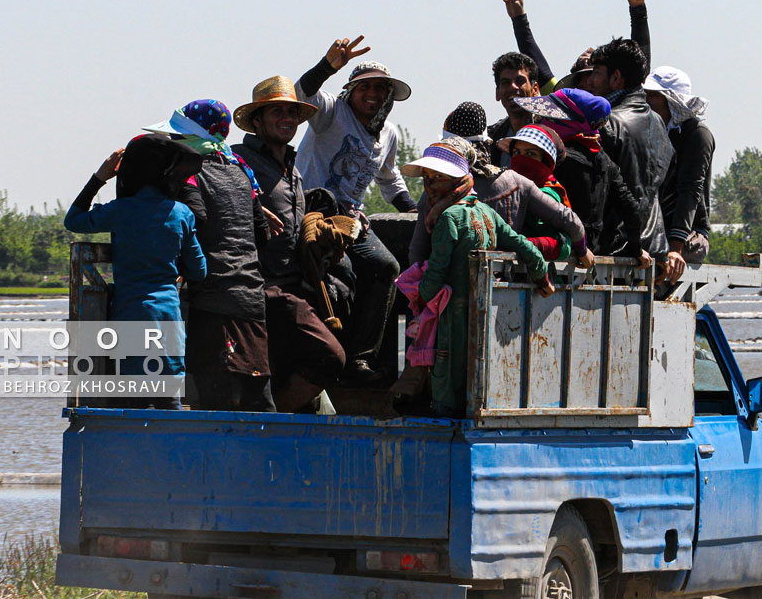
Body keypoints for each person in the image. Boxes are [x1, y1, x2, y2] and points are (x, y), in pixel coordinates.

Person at [400, 137, 553, 417]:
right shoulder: (485, 212)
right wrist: (541, 276)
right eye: (428, 177)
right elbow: (523, 245)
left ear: (458, 178)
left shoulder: (448, 218)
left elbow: (435, 272)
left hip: (452, 320)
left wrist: (419, 297)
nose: (432, 184)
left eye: (439, 177)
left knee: (448, 383)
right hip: (483, 315)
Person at [294, 36, 414, 381]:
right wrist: (328, 65)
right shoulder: (332, 111)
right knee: (340, 269)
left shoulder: (388, 133)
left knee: (385, 266)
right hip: (313, 212)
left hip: (351, 219)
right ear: (351, 90)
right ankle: (328, 355)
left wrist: (414, 211)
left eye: (380, 88)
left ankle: (360, 359)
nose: (373, 94)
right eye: (365, 87)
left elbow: (391, 181)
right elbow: (303, 96)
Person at [144, 100, 274, 411]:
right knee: (256, 393)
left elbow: (195, 218)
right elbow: (263, 233)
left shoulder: (190, 174)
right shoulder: (241, 171)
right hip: (251, 297)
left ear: (190, 140)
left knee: (215, 399)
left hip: (214, 300)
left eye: (177, 137)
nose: (172, 143)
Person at [64, 135, 207, 409]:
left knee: (133, 406)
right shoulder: (182, 214)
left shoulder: (121, 210)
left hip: (130, 318)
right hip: (169, 320)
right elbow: (199, 271)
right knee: (170, 404)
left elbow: (73, 220)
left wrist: (99, 178)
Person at [232, 76, 347, 412]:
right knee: (331, 356)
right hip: (263, 289)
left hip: (294, 286)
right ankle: (276, 420)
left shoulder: (292, 171)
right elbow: (209, 177)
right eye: (276, 112)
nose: (287, 119)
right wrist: (252, 204)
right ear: (257, 121)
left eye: (292, 113)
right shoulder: (239, 161)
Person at [409, 102, 593, 268]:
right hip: (505, 283)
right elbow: (571, 222)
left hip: (446, 287)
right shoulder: (516, 182)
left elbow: (418, 252)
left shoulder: (434, 189)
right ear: (485, 142)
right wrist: (582, 250)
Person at [512, 89, 650, 267]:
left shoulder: (556, 159)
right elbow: (631, 208)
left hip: (556, 254)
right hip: (588, 256)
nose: (541, 121)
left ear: (565, 121)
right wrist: (637, 250)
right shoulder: (606, 162)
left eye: (549, 117)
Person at [585, 38, 676, 278]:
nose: (589, 82)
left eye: (595, 74)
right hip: (655, 250)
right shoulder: (658, 121)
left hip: (618, 254)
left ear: (615, 78)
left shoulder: (607, 124)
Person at [499, 0, 651, 92]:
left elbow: (637, 68)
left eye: (594, 73)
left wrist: (638, 9)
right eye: (580, 85)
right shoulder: (565, 112)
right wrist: (518, 18)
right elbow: (540, 69)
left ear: (614, 81)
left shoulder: (618, 115)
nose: (588, 84)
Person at [644, 67, 715, 280]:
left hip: (689, 232)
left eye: (654, 95)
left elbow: (690, 191)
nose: (647, 100)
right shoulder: (656, 130)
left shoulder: (697, 134)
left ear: (671, 100)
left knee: (662, 264)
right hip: (657, 226)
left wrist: (675, 247)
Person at [497, 124, 575, 260]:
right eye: (516, 153)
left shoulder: (549, 193)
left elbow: (561, 245)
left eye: (530, 154)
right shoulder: (506, 191)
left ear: (545, 161)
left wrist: (514, 245)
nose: (521, 159)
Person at [487, 52, 542, 165]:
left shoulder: (552, 132)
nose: (513, 87)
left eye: (520, 81)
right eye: (506, 82)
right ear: (497, 93)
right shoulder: (491, 139)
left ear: (535, 89)